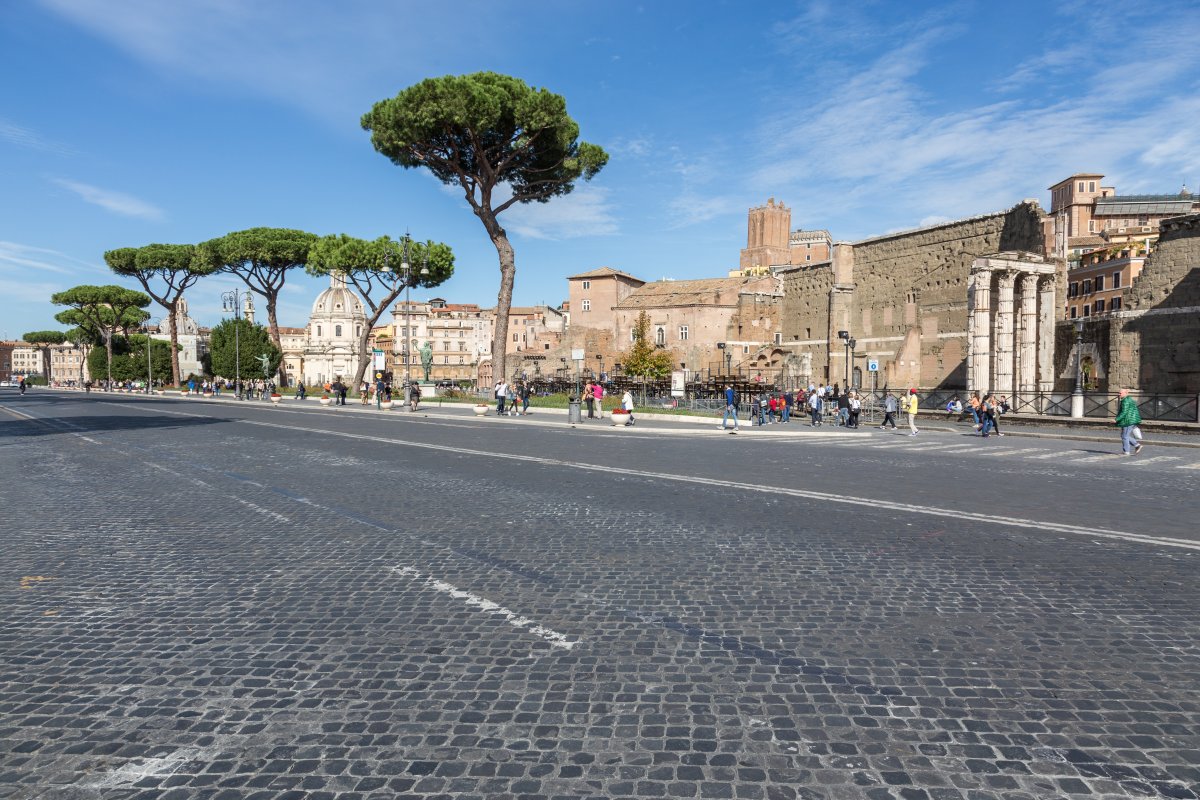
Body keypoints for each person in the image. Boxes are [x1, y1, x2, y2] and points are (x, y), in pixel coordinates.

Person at [1115, 388, 1143, 455]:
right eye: (1119, 393)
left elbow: (1124, 412)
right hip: (1131, 420)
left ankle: (1126, 451)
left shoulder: (1126, 401)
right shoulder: (1128, 399)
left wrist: (1116, 419)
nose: (1119, 394)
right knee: (1124, 435)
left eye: (1120, 393)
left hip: (1128, 421)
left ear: (1125, 393)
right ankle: (1137, 445)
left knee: (1125, 436)